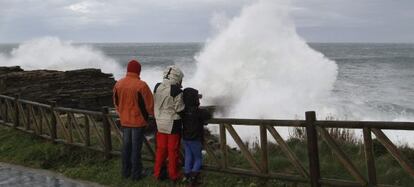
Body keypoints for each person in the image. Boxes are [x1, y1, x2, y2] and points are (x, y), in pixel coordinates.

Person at [113, 59, 154, 180]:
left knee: (126, 147)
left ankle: (125, 172)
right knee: (136, 149)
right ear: (138, 70)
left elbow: (116, 103)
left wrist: (122, 114)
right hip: (138, 122)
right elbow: (150, 106)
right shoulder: (142, 85)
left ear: (128, 70)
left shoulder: (118, 84)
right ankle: (136, 174)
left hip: (124, 121)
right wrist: (153, 116)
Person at [153, 65, 185, 182]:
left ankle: (157, 173)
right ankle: (173, 175)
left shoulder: (157, 87)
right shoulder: (176, 91)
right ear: (177, 77)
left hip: (159, 122)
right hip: (173, 123)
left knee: (161, 149)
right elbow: (179, 109)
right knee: (173, 150)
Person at [181, 87, 211, 185]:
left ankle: (186, 174)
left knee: (188, 157)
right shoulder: (198, 112)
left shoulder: (183, 111)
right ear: (195, 99)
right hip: (195, 139)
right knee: (198, 158)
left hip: (185, 138)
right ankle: (193, 178)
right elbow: (208, 114)